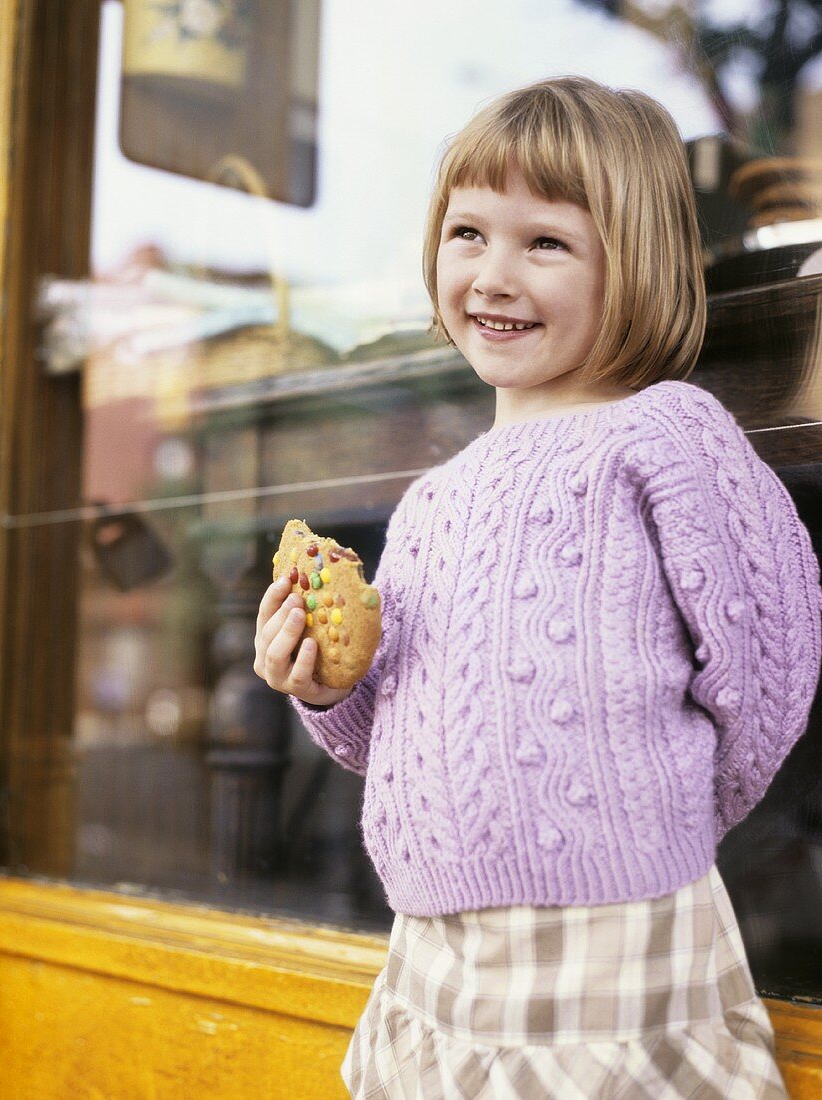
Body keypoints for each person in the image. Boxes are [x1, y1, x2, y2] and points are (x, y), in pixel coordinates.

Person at [253, 75, 821, 1098]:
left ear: (633, 263)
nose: (492, 274)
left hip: (616, 929)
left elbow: (768, 665)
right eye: (468, 232)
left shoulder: (663, 434)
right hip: (436, 943)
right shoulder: (430, 499)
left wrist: (668, 818)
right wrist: (322, 684)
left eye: (545, 243)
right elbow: (388, 731)